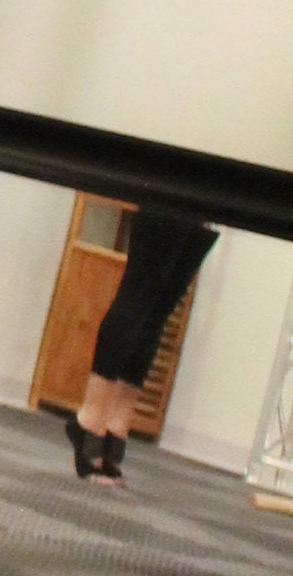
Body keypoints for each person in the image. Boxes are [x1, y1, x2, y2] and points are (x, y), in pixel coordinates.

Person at [66, 204, 218, 479]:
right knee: (138, 293)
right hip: (176, 178)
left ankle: (117, 421)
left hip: (209, 191)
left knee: (160, 308)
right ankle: (91, 417)